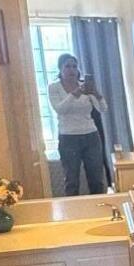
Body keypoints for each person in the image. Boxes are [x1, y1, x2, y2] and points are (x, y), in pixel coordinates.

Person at [48, 52, 108, 196]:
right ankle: (72, 208)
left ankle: (98, 205)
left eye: (74, 66)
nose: (72, 70)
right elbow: (60, 109)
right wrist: (75, 94)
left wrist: (96, 93)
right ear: (60, 69)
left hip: (91, 136)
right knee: (72, 180)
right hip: (68, 138)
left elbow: (103, 108)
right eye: (67, 66)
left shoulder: (84, 86)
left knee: (96, 179)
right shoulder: (54, 87)